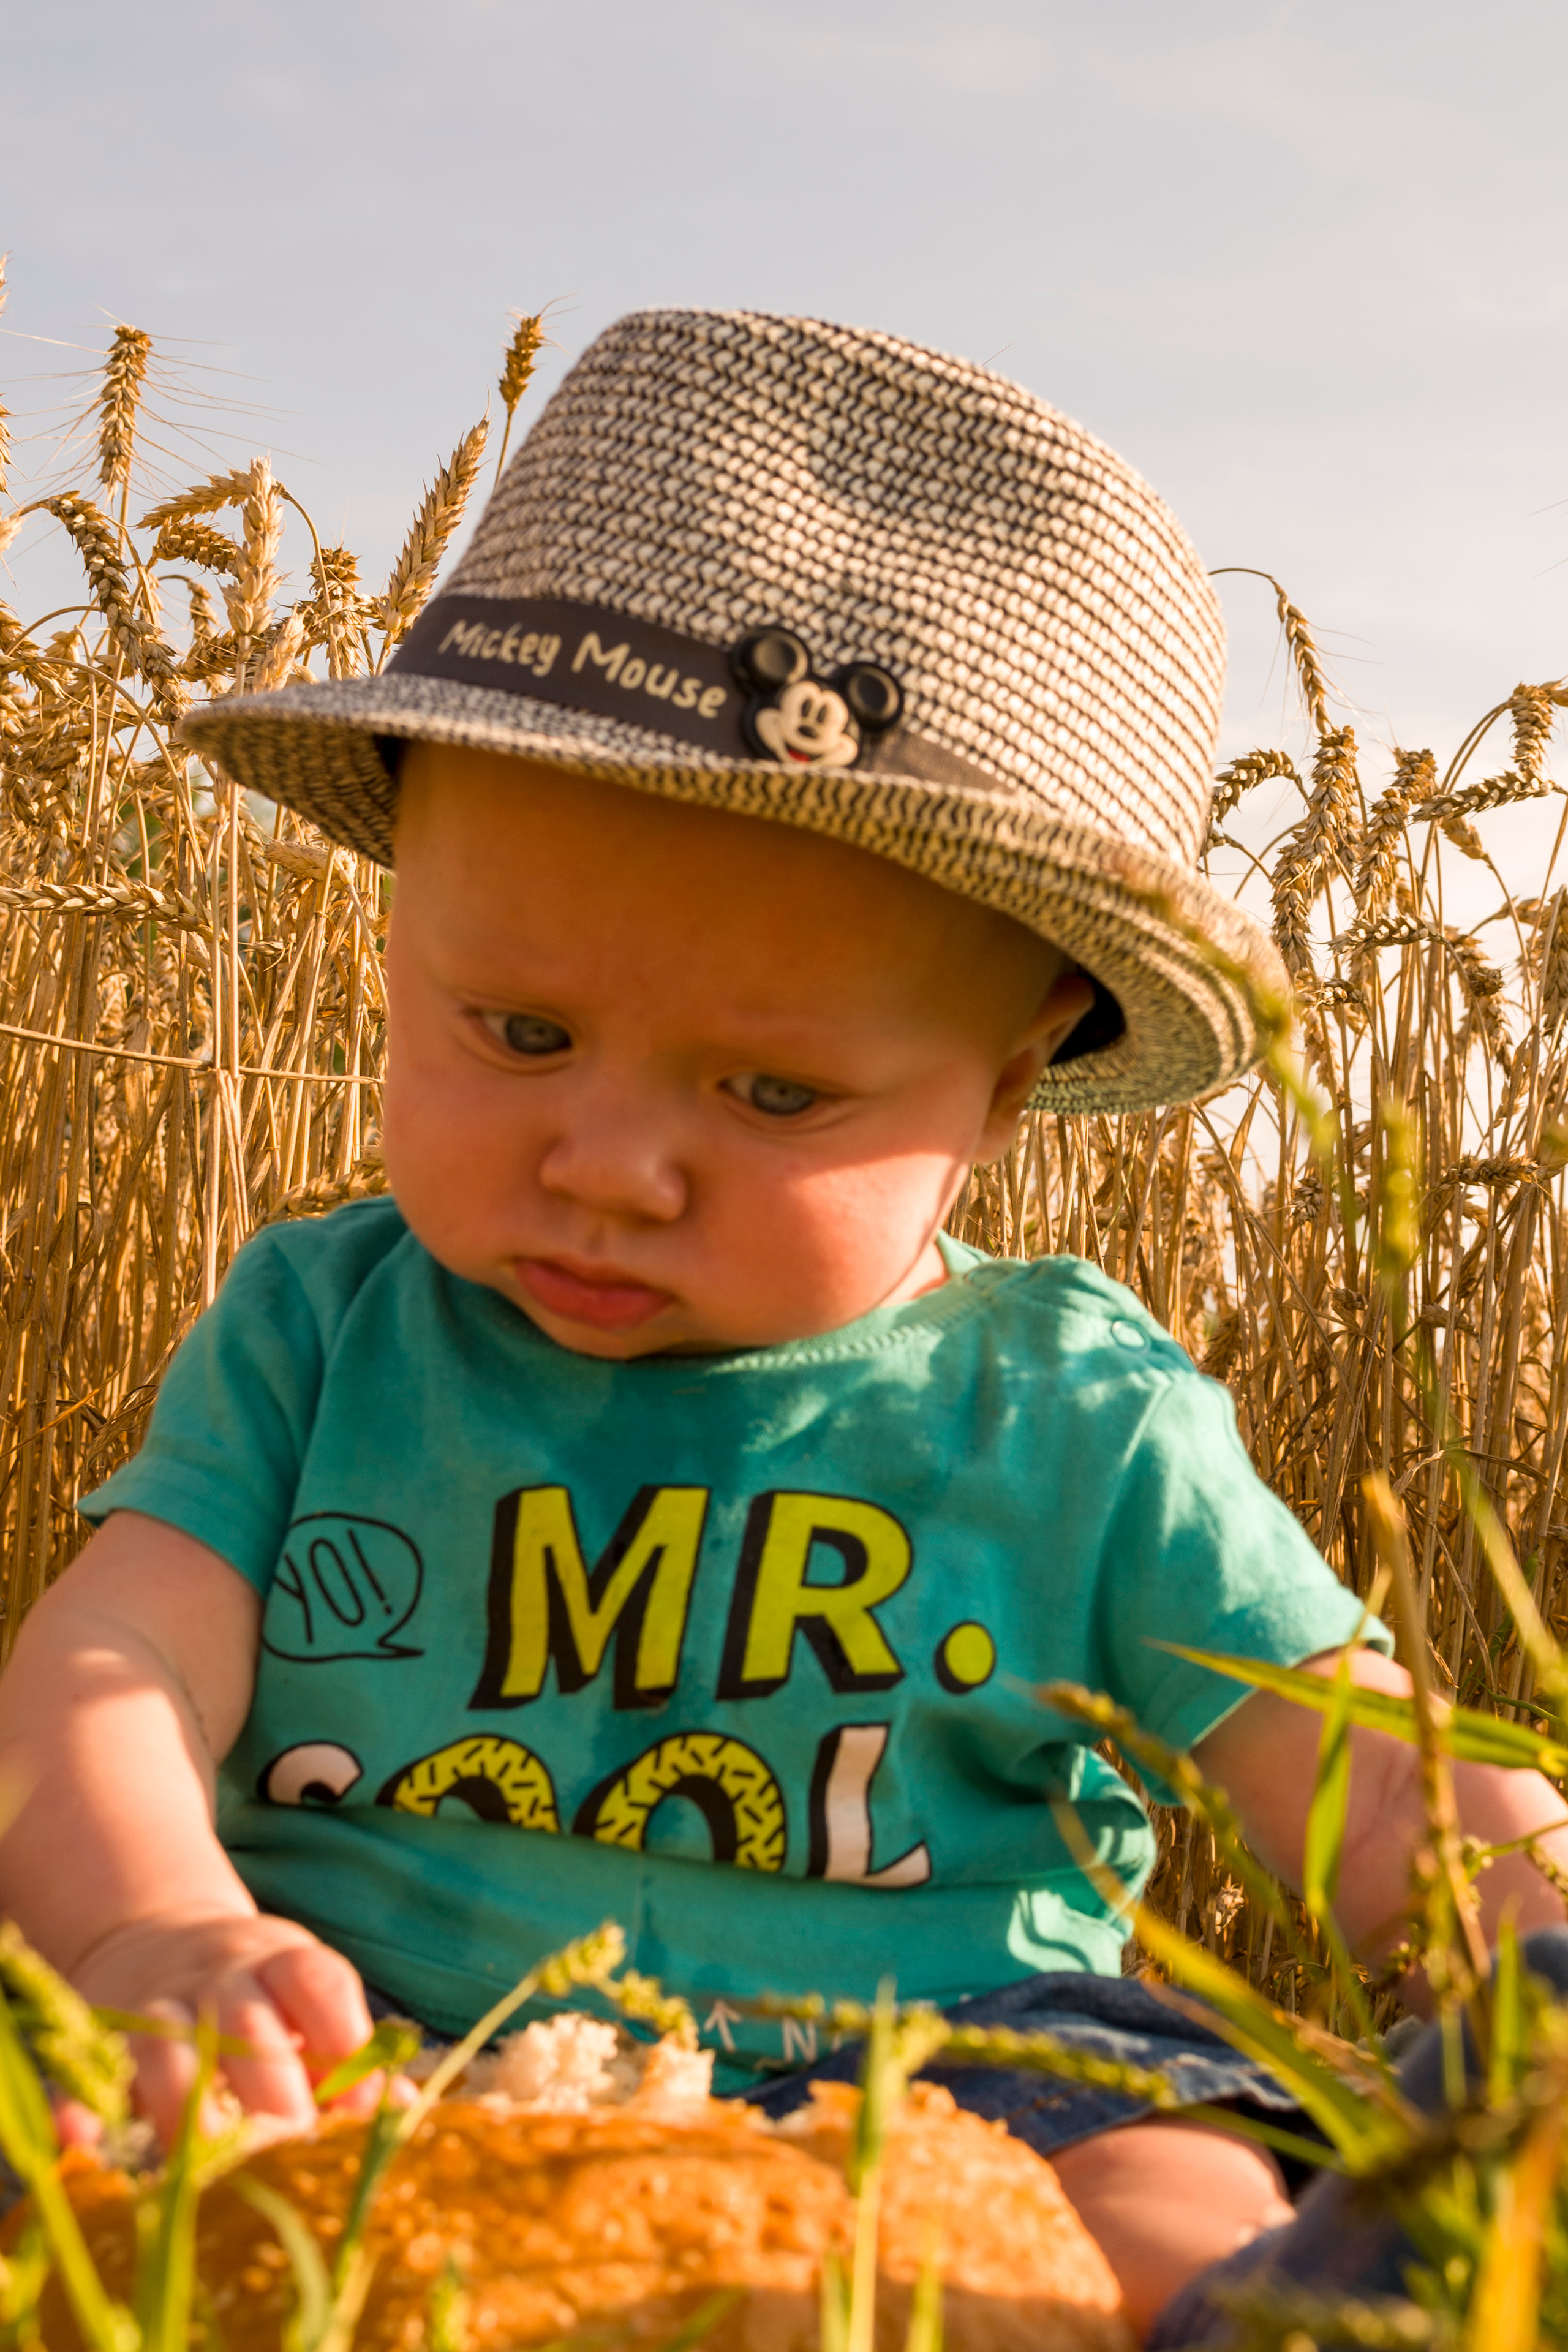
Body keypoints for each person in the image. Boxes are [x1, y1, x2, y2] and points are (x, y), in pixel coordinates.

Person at [1, 309, 1563, 2342]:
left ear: (1005, 1093)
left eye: (770, 1095)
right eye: (522, 1033)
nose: (614, 1165)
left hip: (967, 2065)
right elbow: (114, 1655)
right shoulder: (321, 1326)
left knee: (1164, 2194)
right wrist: (153, 1929)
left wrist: (1527, 1944)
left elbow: (1365, 1767)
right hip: (363, 2025)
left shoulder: (1077, 1414)